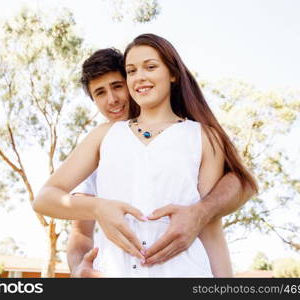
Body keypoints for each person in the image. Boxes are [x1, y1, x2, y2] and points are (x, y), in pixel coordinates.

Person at [33, 34, 258, 277]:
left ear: (173, 73)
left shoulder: (204, 137)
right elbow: (50, 203)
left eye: (150, 67)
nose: (139, 77)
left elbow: (211, 229)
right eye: (131, 71)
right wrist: (96, 211)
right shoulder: (104, 136)